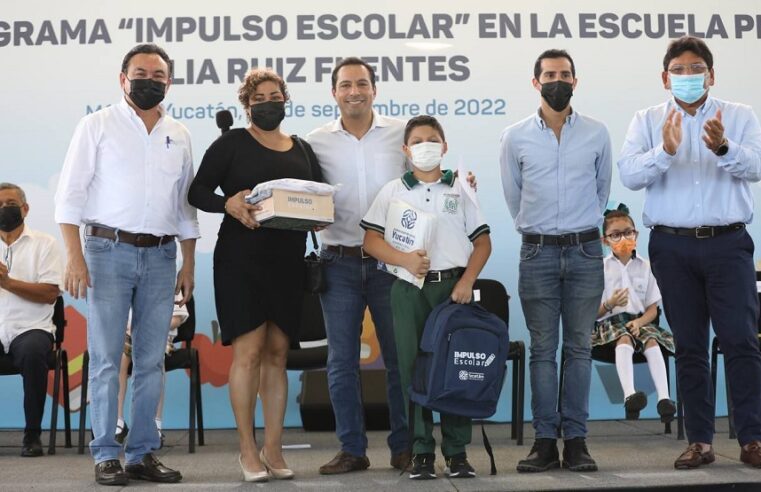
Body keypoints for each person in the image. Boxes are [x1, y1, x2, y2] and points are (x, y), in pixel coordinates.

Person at [55, 43, 197, 485]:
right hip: (106, 251)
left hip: (161, 256)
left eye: (159, 74)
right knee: (105, 358)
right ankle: (105, 454)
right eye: (140, 73)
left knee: (152, 359)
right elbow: (69, 198)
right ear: (122, 79)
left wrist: (188, 262)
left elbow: (185, 206)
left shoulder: (179, 132)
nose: (149, 80)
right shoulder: (96, 125)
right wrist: (75, 258)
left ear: (169, 82)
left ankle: (141, 453)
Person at [618, 36, 761, 469]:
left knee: (740, 340)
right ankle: (699, 441)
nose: (687, 76)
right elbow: (628, 174)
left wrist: (723, 148)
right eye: (677, 70)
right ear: (665, 78)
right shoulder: (646, 121)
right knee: (691, 346)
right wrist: (665, 151)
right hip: (672, 246)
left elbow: (757, 166)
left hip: (728, 244)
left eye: (695, 68)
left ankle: (753, 438)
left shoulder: (738, 116)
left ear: (711, 74)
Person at [188, 68, 323, 483]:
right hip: (239, 261)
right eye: (260, 97)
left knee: (278, 355)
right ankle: (247, 449)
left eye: (275, 95)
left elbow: (317, 195)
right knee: (247, 352)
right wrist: (227, 204)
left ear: (286, 99)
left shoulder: (301, 147)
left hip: (287, 261)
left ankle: (274, 447)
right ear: (247, 105)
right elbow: (197, 193)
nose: (269, 103)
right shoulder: (231, 143)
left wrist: (316, 214)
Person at [500, 49, 612, 473]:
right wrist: (541, 231)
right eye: (549, 74)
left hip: (586, 251)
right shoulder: (515, 136)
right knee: (543, 351)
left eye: (565, 74)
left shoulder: (598, 133)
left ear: (575, 81)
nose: (557, 80)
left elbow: (601, 192)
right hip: (538, 251)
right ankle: (545, 442)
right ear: (535, 83)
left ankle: (577, 442)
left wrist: (578, 229)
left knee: (579, 349)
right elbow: (514, 197)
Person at [362, 115, 491, 480]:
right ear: (405, 149)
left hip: (452, 290)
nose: (425, 146)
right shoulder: (393, 190)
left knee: (454, 369)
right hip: (408, 290)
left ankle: (457, 451)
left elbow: (482, 242)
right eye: (417, 141)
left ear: (445, 146)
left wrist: (466, 281)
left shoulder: (460, 189)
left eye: (432, 139)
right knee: (412, 369)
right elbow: (371, 241)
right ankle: (420, 450)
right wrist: (403, 259)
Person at [305, 57, 410, 474]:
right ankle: (352, 449)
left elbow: (423, 185)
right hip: (339, 263)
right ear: (334, 93)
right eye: (346, 84)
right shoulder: (315, 142)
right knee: (341, 361)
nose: (354, 91)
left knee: (401, 359)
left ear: (374, 90)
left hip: (390, 263)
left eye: (362, 83)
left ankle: (404, 447)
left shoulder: (401, 134)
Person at [593, 205, 676, 421]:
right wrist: (609, 304)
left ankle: (664, 399)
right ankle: (630, 395)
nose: (623, 239)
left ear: (636, 234)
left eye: (628, 232)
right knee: (624, 339)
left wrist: (640, 322)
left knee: (652, 341)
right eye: (616, 235)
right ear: (605, 240)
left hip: (641, 322)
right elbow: (593, 313)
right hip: (610, 324)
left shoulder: (646, 266)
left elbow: (652, 309)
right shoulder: (600, 269)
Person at [0, 183, 63, 457]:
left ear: (25, 209)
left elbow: (50, 293)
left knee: (34, 352)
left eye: (10, 204)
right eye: (0, 205)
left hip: (32, 328)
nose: (5, 209)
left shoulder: (45, 244)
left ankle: (32, 435)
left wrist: (8, 282)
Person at [115, 293, 189, 447]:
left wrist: (146, 326)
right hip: (127, 335)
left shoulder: (169, 280)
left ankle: (154, 423)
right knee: (119, 359)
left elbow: (176, 319)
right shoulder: (122, 280)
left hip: (158, 334)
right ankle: (118, 422)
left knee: (155, 359)